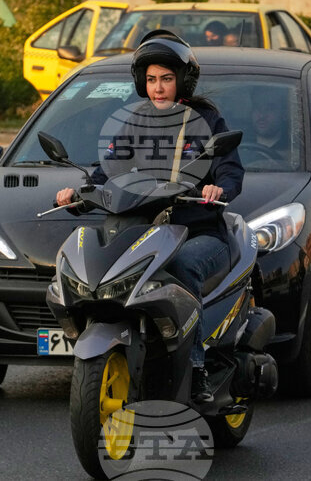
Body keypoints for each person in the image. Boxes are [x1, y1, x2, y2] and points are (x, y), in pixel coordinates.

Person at [55, 29, 244, 403]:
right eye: (152, 79)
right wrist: (79, 194)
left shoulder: (205, 120)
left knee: (182, 266)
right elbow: (109, 169)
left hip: (201, 232)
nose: (158, 88)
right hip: (148, 230)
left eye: (167, 79)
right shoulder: (134, 121)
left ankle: (197, 368)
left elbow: (229, 168)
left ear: (182, 81)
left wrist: (218, 189)